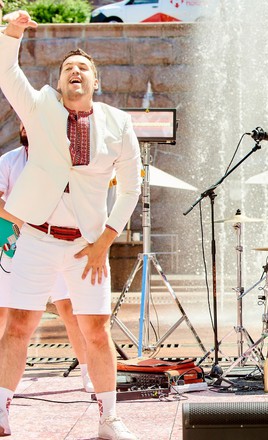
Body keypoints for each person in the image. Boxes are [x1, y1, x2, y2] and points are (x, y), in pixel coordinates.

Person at [0, 10, 141, 440]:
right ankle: (1, 411)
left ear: (96, 82)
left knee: (95, 331)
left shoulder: (119, 122)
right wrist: (12, 32)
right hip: (36, 239)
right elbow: (7, 73)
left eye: (83, 68)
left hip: (88, 247)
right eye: (67, 69)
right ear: (59, 83)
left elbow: (132, 189)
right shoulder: (40, 106)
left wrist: (106, 241)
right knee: (18, 325)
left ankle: (109, 419)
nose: (74, 72)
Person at [0, 122, 94, 393]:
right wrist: (28, 220)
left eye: (31, 122)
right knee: (5, 314)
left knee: (70, 311)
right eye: (22, 123)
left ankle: (88, 371)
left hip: (57, 245)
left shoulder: (61, 163)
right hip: (17, 248)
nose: (26, 127)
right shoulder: (8, 161)